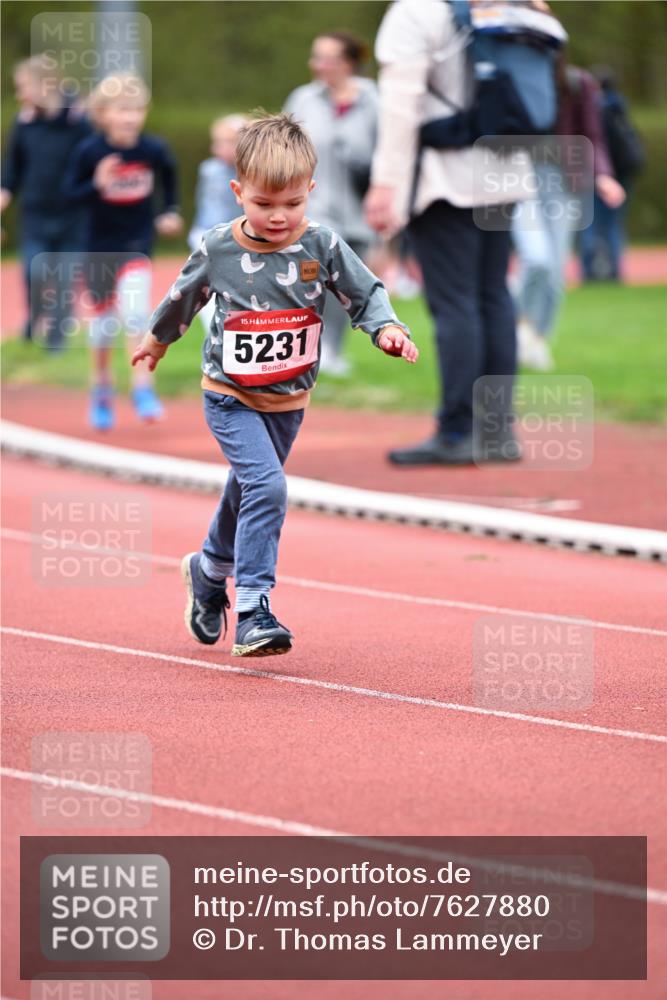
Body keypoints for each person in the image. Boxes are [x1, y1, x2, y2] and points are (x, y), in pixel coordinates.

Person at [131, 113, 418, 657]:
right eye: (264, 204)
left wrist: (387, 329)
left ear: (309, 191)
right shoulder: (219, 247)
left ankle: (209, 570)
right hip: (230, 395)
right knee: (268, 487)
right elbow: (182, 297)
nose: (279, 217)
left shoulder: (322, 245)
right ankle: (255, 607)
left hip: (289, 397)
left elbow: (365, 293)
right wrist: (157, 340)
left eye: (292, 204)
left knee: (248, 488)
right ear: (238, 192)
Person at [365, 0, 535, 466]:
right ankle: (498, 431)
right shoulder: (509, 5)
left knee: (456, 303)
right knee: (493, 296)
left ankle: (459, 430)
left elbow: (401, 104)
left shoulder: (414, 12)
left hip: (446, 179)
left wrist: (386, 184)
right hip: (504, 170)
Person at [64, 72, 183, 430]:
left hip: (136, 246)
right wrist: (96, 183)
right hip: (99, 249)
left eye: (136, 110)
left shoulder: (152, 149)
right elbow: (68, 195)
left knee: (134, 314)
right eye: (121, 110)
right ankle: (101, 386)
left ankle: (143, 387)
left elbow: (170, 176)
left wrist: (170, 210)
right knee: (102, 328)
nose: (130, 117)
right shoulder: (90, 151)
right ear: (103, 114)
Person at [512, 63, 626, 370]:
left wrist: (603, 175)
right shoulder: (512, 76)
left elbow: (593, 135)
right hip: (516, 179)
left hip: (563, 182)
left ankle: (538, 337)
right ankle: (515, 325)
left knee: (556, 272)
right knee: (536, 258)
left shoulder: (577, 83)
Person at [284, 31, 378, 376]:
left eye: (328, 58)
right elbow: (283, 146)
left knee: (347, 289)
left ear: (348, 63)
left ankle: (332, 351)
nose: (319, 65)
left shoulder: (373, 99)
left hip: (361, 211)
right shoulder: (303, 99)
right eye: (316, 57)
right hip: (315, 208)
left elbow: (388, 152)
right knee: (312, 280)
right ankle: (305, 349)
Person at [0, 54, 91, 349]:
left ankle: (57, 338)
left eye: (23, 86)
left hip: (73, 215)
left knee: (65, 278)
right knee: (34, 272)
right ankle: (34, 316)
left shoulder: (80, 120)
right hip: (36, 214)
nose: (20, 94)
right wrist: (4, 191)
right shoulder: (24, 122)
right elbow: (13, 165)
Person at [578, 66, 643, 284]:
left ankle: (589, 273)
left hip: (599, 174)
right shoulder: (619, 107)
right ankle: (615, 272)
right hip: (623, 174)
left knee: (591, 224)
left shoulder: (594, 109)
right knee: (614, 224)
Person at [189, 113, 249, 334]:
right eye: (219, 143)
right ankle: (213, 328)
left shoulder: (249, 172)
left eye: (229, 143)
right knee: (207, 283)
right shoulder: (210, 170)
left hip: (236, 235)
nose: (219, 149)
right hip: (208, 232)